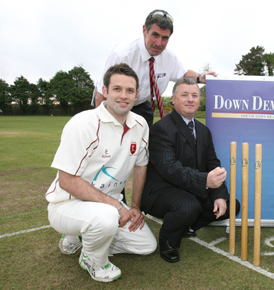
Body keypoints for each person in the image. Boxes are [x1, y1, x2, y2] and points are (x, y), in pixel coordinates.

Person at [46, 63, 157, 282]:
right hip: (67, 204)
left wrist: (134, 206)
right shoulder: (83, 124)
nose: (123, 96)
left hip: (109, 205)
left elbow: (141, 164)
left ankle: (85, 235)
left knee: (146, 245)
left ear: (136, 95)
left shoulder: (140, 124)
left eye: (130, 90)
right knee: (106, 218)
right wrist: (116, 206)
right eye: (117, 89)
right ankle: (92, 260)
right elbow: (67, 181)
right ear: (104, 91)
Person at [141, 78, 240, 263]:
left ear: (200, 100)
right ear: (174, 99)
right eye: (184, 95)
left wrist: (218, 194)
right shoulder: (161, 128)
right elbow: (169, 169)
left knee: (232, 204)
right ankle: (168, 241)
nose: (190, 99)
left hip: (190, 188)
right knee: (188, 206)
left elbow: (213, 163)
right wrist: (204, 181)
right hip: (161, 191)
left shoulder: (203, 130)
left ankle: (187, 224)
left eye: (195, 95)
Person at [92, 9, 217, 129]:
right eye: (155, 35)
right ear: (144, 30)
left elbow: (183, 74)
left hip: (142, 103)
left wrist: (200, 77)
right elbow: (102, 94)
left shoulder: (169, 57)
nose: (159, 43)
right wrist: (104, 127)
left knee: (143, 143)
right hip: (114, 102)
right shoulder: (122, 54)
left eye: (165, 38)